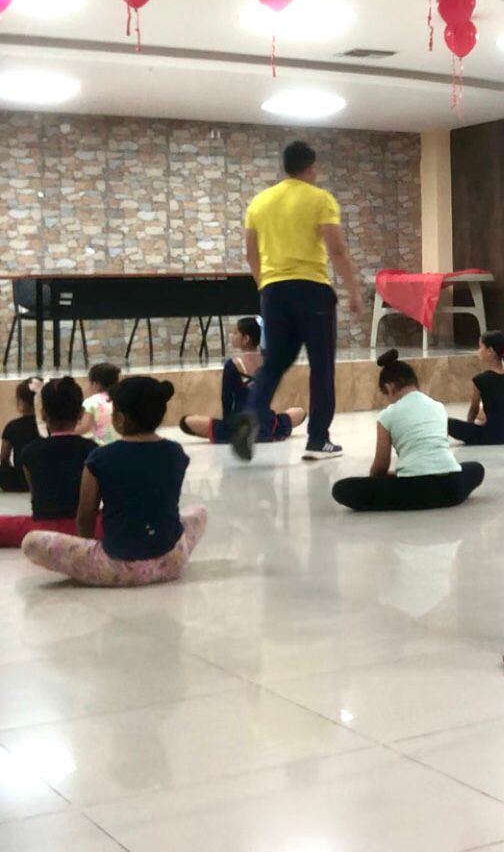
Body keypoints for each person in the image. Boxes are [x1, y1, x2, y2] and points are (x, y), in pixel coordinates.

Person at [238, 139, 364, 462]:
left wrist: (265, 287)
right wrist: (353, 291)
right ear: (311, 167)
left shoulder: (259, 202)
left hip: (273, 291)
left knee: (274, 363)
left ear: (285, 166)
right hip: (312, 291)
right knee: (321, 366)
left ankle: (249, 414)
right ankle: (318, 440)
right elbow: (337, 250)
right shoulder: (320, 199)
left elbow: (250, 254)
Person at [22, 377, 207, 587]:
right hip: (172, 560)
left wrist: (86, 546)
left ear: (119, 417)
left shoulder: (100, 457)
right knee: (199, 512)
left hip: (118, 567)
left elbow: (85, 516)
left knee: (31, 542)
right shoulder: (176, 452)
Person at [332, 349, 485, 511]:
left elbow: (381, 466)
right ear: (415, 383)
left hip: (413, 490)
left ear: (389, 388)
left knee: (341, 488)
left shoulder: (387, 415)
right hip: (451, 488)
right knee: (475, 468)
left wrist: (378, 480)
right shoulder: (438, 407)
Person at [0, 376, 98, 547]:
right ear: (81, 413)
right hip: (86, 527)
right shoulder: (93, 450)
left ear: (44, 414)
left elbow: (36, 496)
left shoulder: (30, 451)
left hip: (42, 528)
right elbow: (91, 503)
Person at [179, 315, 307, 447]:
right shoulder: (268, 362)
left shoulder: (232, 365)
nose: (232, 336)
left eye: (235, 333)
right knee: (300, 412)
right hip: (267, 422)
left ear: (246, 339)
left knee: (187, 421)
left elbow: (226, 399)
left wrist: (227, 424)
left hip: (239, 424)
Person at [447, 333, 504, 445]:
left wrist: (469, 427)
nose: (478, 351)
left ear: (490, 351)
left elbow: (474, 409)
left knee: (447, 423)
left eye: (481, 347)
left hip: (492, 435)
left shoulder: (480, 379)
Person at [0, 376, 41, 492]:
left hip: (20, 480)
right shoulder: (47, 425)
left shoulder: (12, 427)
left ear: (22, 401)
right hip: (44, 479)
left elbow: (4, 458)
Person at [80, 362, 122, 446]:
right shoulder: (122, 398)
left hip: (102, 446)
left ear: (95, 384)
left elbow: (85, 427)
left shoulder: (91, 402)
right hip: (122, 444)